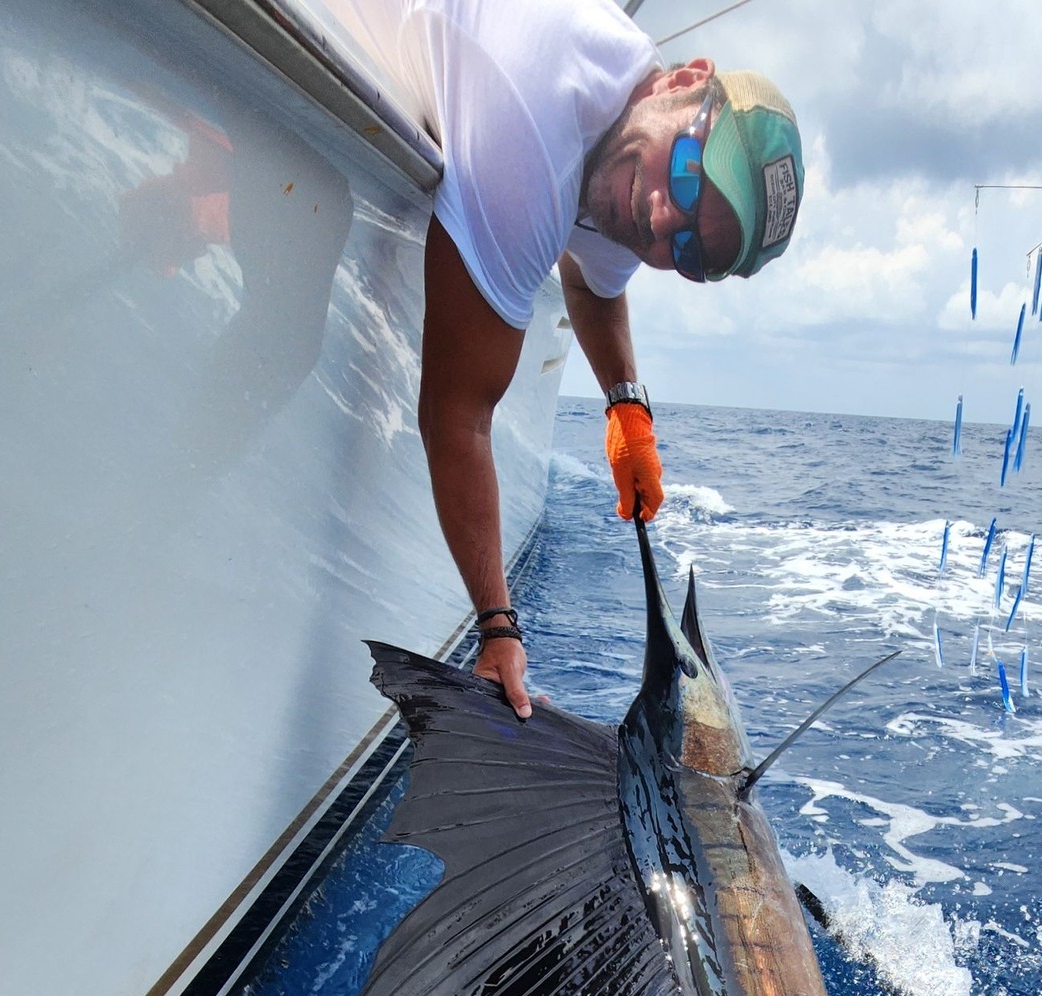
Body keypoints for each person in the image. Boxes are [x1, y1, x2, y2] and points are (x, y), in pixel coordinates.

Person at [317, 0, 805, 715]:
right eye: (690, 176)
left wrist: (627, 408)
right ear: (685, 80)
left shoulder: (630, 149)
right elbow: (457, 415)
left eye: (689, 250)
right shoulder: (537, 126)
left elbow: (594, 285)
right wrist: (497, 631)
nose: (662, 218)